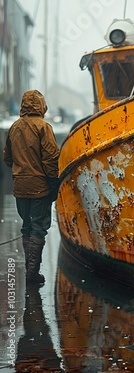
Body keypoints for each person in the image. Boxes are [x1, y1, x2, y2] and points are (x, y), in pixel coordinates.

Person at [3, 90, 60, 284]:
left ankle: (30, 269)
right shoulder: (43, 127)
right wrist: (54, 184)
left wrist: (21, 169)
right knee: (38, 228)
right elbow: (51, 159)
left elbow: (7, 158)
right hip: (40, 187)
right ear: (41, 105)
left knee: (26, 227)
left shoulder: (14, 127)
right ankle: (32, 273)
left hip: (20, 188)